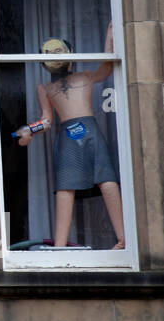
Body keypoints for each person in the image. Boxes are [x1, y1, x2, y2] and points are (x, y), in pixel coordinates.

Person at [14, 22, 124, 250]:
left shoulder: (85, 76)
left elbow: (106, 68)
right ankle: (60, 245)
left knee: (107, 179)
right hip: (67, 136)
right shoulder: (45, 88)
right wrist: (29, 130)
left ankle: (123, 237)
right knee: (65, 186)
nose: (54, 57)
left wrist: (109, 37)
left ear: (70, 54)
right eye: (48, 54)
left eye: (58, 52)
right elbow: (46, 120)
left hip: (90, 130)